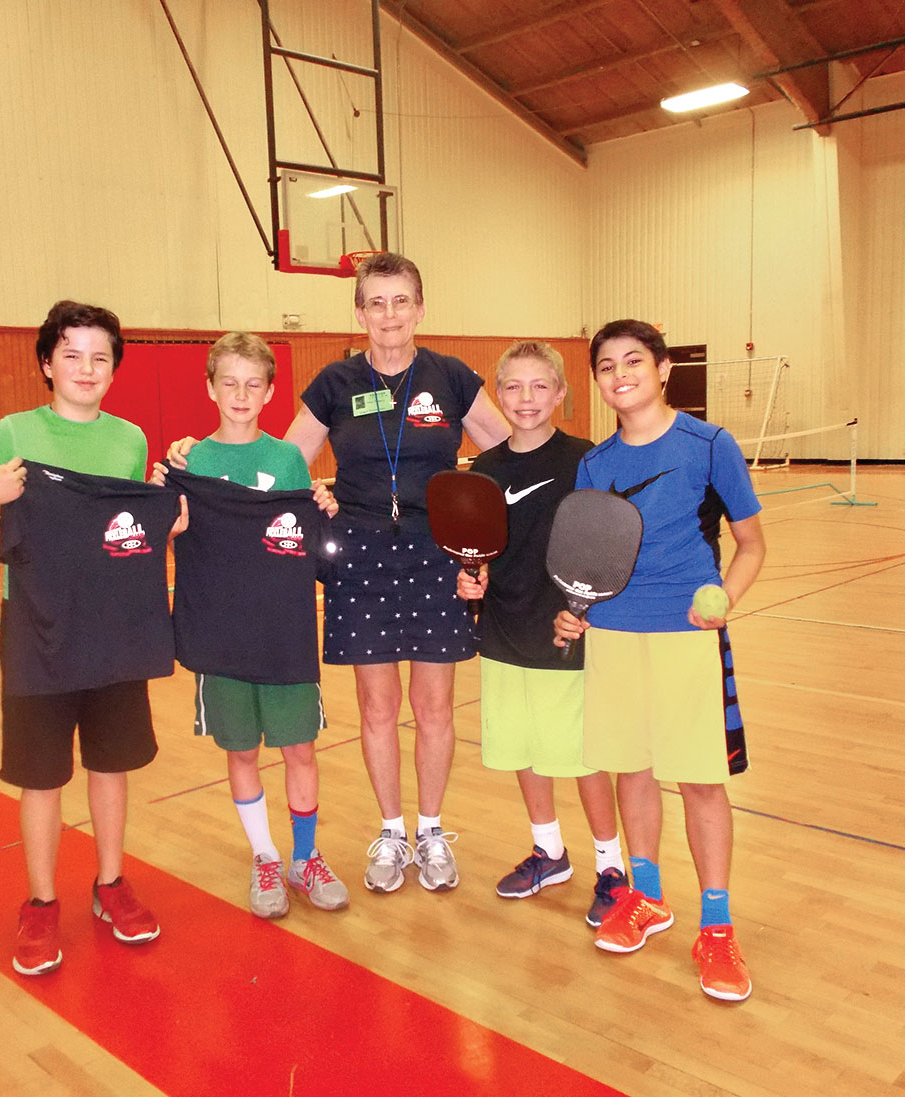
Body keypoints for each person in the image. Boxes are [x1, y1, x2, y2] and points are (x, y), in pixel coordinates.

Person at [167, 253, 510, 893]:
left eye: (400, 301)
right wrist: (193, 457)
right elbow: (277, 463)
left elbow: (508, 451)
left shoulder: (452, 378)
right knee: (377, 709)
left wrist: (484, 537)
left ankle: (430, 832)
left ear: (420, 308)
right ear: (359, 313)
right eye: (375, 303)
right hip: (361, 558)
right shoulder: (334, 382)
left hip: (437, 557)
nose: (389, 315)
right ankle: (389, 830)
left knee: (434, 708)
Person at [0, 300, 181, 976]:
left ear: (114, 368)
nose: (86, 368)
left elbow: (125, 531)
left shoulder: (130, 440)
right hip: (36, 625)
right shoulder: (12, 431)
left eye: (100, 357)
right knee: (41, 772)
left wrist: (163, 515)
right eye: (72, 355)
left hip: (114, 622)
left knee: (110, 763)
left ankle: (111, 884)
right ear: (46, 363)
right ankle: (41, 900)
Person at [554, 319, 766, 1002]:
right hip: (612, 634)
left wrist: (723, 599)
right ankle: (645, 896)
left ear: (663, 367)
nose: (620, 375)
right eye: (607, 365)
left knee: (701, 781)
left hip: (685, 635)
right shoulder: (593, 464)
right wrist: (574, 611)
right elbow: (591, 558)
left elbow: (752, 544)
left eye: (633, 361)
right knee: (632, 768)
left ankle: (716, 924)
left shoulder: (710, 445)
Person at [159, 331, 350, 919]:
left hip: (282, 633)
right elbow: (167, 535)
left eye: (253, 384)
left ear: (269, 391)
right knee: (240, 751)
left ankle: (306, 857)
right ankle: (265, 856)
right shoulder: (189, 462)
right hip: (220, 634)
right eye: (229, 383)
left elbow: (305, 543)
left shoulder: (288, 459)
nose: (240, 394)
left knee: (299, 748)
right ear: (210, 387)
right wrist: (164, 505)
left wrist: (324, 509)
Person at [455, 342, 627, 926]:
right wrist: (471, 579)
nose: (525, 399)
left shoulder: (588, 461)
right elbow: (479, 550)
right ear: (498, 395)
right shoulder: (485, 468)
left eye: (538, 387)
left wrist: (587, 613)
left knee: (580, 756)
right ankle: (549, 851)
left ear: (559, 394)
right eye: (512, 387)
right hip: (503, 628)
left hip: (565, 631)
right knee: (525, 747)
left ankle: (612, 867)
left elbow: (608, 547)